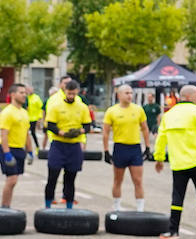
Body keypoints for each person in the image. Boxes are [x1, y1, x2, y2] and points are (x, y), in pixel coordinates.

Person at [154, 84, 196, 239]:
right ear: (189, 97)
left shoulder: (169, 114)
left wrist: (159, 158)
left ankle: (173, 231)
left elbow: (161, 138)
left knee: (177, 197)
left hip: (178, 162)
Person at [43, 78, 92, 209]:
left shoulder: (82, 107)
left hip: (74, 145)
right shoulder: (56, 106)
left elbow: (88, 125)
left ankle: (69, 206)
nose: (71, 96)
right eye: (69, 93)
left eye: (73, 94)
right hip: (58, 144)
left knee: (70, 178)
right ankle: (47, 205)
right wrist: (62, 133)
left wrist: (79, 131)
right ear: (64, 91)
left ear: (77, 92)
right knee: (52, 176)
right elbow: (50, 125)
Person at [102, 85, 151, 212]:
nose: (130, 95)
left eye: (131, 93)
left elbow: (145, 128)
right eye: (126, 93)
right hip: (120, 148)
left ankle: (140, 208)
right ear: (119, 95)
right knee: (118, 180)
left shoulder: (138, 110)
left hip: (134, 148)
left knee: (138, 180)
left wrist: (147, 147)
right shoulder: (112, 111)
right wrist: (106, 150)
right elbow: (106, 132)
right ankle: (117, 205)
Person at [0, 83, 30, 208]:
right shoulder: (7, 112)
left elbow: (27, 134)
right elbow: (4, 134)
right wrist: (7, 153)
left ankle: (7, 205)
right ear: (13, 94)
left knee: (14, 181)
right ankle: (4, 206)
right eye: (21, 93)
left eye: (25, 93)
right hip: (8, 149)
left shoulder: (24, 112)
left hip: (19, 149)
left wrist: (30, 151)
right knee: (12, 179)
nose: (24, 95)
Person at [25, 86, 44, 155]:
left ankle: (37, 147)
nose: (28, 91)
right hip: (27, 118)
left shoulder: (36, 98)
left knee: (33, 133)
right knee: (25, 134)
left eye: (30, 89)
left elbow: (41, 108)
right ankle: (26, 148)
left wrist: (39, 118)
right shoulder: (25, 98)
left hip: (34, 119)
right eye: (27, 89)